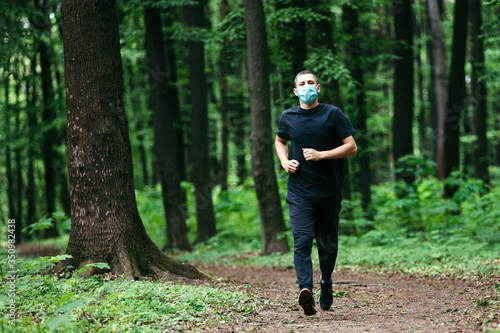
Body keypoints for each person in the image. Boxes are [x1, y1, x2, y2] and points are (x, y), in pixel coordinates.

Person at [275, 70, 357, 316]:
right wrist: (284, 161)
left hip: (329, 191)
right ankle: (305, 290)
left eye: (311, 82)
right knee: (301, 241)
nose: (307, 86)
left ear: (318, 88)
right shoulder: (288, 117)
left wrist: (323, 155)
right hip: (299, 191)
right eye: (302, 83)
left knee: (327, 244)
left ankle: (327, 281)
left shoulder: (333, 114)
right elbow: (280, 141)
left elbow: (351, 147)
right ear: (295, 90)